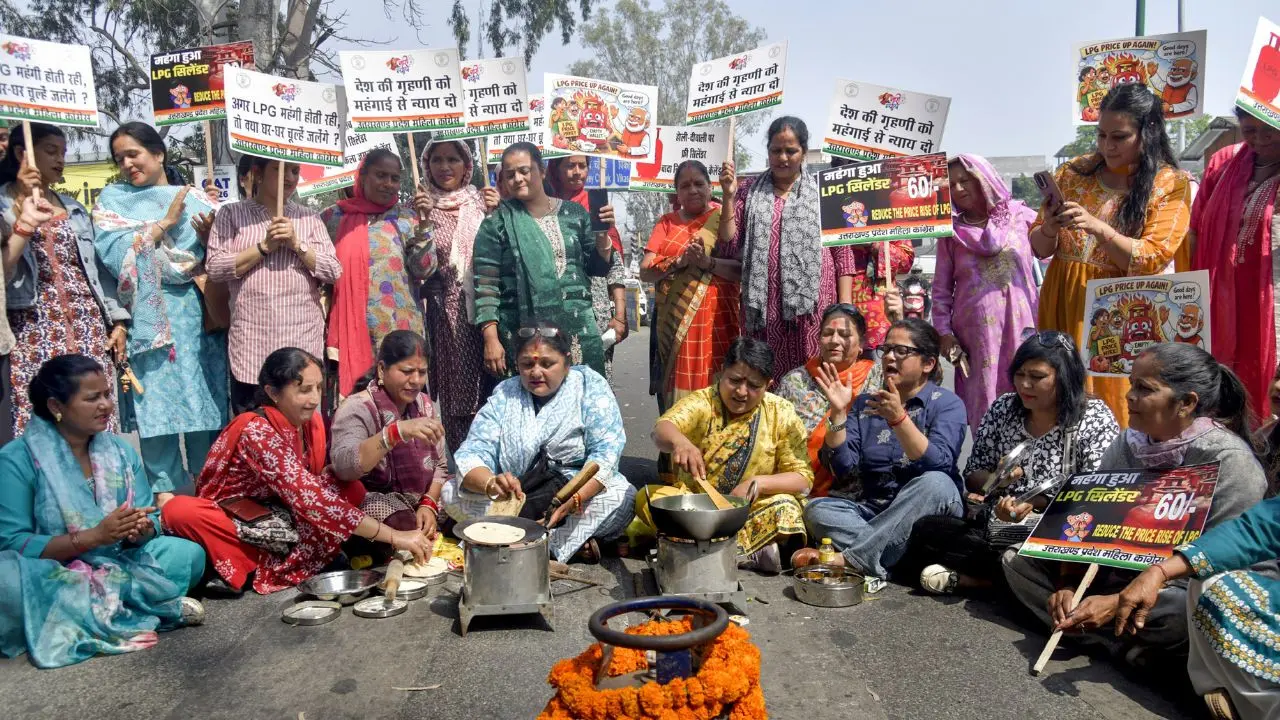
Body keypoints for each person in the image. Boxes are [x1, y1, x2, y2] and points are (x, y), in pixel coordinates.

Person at [1006, 343, 1267, 656]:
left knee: (1185, 607)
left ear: (1186, 402)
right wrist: (1069, 583)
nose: (1130, 396)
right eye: (1132, 385)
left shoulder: (1229, 461)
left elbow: (1220, 560)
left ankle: (1106, 636)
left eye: (1144, 389)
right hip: (1119, 571)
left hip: (1180, 584)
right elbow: (1089, 519)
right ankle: (1112, 640)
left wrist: (1118, 602)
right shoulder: (1128, 444)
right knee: (1016, 560)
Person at [161, 348, 431, 594]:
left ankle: (307, 552)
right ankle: (252, 565)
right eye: (303, 390)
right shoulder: (256, 431)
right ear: (273, 392)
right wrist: (395, 536)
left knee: (350, 487)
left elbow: (314, 485)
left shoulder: (311, 422)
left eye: (318, 389)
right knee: (180, 511)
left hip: (286, 507)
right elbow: (310, 499)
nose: (314, 399)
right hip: (238, 515)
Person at [0, 355, 206, 668]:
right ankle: (137, 605)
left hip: (118, 560)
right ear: (56, 406)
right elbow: (13, 543)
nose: (107, 405)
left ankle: (95, 609)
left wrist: (141, 529)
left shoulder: (120, 452)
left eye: (108, 394)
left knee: (187, 554)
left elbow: (148, 518)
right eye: (92, 398)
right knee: (6, 582)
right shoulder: (17, 459)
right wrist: (92, 537)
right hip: (50, 570)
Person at [904, 331, 1119, 595]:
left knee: (1062, 549)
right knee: (928, 530)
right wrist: (998, 480)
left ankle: (988, 583)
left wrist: (1034, 503)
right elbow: (973, 473)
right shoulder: (1004, 408)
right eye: (1020, 375)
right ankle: (1010, 581)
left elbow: (1099, 492)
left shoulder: (1093, 416)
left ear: (1065, 378)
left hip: (1061, 532)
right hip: (999, 527)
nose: (1024, 385)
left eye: (1037, 377)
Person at [1032, 84, 1192, 427]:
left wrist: (1098, 228)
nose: (1107, 145)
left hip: (1118, 310)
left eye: (1119, 137)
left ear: (1147, 132)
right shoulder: (1074, 172)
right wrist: (1049, 227)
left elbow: (1152, 257)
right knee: (1058, 398)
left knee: (1114, 406)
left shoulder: (1169, 183)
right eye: (1102, 135)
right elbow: (1037, 248)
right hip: (1062, 297)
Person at [92, 121, 228, 498]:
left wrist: (208, 238)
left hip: (197, 319)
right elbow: (115, 257)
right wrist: (163, 224)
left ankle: (210, 505)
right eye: (120, 159)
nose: (127, 165)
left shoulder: (200, 200)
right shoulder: (111, 204)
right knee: (156, 417)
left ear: (158, 153)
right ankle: (166, 505)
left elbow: (220, 257)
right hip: (148, 325)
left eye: (133, 154)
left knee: (206, 412)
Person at [446, 323, 635, 563]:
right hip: (514, 496)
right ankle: (554, 543)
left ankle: (533, 542)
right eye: (527, 364)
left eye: (547, 364)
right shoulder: (505, 393)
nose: (535, 372)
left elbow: (606, 454)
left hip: (573, 495)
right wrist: (492, 483)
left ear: (567, 363)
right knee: (450, 491)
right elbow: (474, 451)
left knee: (623, 495)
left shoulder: (589, 385)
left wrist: (571, 501)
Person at [799, 318, 968, 580]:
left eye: (901, 351)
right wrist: (838, 413)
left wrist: (899, 420)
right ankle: (892, 561)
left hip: (927, 514)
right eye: (886, 349)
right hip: (872, 510)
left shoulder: (947, 404)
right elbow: (843, 468)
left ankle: (852, 560)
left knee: (936, 483)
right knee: (817, 509)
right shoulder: (865, 402)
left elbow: (940, 464)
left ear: (928, 363)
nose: (889, 357)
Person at [639, 337, 813, 573]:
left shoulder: (780, 412)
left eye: (754, 386)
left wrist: (758, 483)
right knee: (648, 499)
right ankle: (747, 551)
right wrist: (681, 442)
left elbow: (802, 478)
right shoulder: (703, 401)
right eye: (734, 380)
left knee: (786, 506)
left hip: (747, 509)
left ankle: (701, 550)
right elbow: (661, 429)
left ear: (768, 385)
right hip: (694, 508)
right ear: (722, 372)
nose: (742, 392)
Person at [0, 122, 127, 439]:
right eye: (50, 151)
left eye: (63, 153)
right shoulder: (4, 205)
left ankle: (97, 483)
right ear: (21, 153)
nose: (60, 160)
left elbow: (96, 271)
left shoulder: (74, 209)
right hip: (32, 326)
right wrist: (22, 220)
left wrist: (116, 322)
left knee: (93, 412)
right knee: (40, 415)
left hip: (85, 325)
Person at [718, 117, 869, 382]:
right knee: (764, 375)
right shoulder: (747, 192)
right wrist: (728, 196)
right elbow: (729, 244)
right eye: (776, 151)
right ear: (768, 152)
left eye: (791, 151)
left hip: (813, 310)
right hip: (764, 310)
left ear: (803, 152)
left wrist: (845, 309)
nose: (783, 158)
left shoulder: (824, 193)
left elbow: (842, 255)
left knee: (815, 377)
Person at [1107, 496, 1280, 718]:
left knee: (1173, 611)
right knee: (1210, 580)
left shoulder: (1238, 467)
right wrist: (1158, 572)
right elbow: (1252, 531)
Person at [208, 158, 341, 414]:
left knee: (302, 437)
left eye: (294, 170)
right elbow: (215, 267)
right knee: (254, 435)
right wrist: (263, 247)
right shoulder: (232, 215)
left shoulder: (308, 218)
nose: (289, 178)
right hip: (252, 347)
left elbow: (333, 271)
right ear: (257, 173)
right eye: (279, 170)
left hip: (301, 342)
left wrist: (297, 244)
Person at [472, 142, 616, 378]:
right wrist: (490, 339)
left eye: (524, 171)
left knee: (581, 403)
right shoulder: (496, 222)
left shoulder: (574, 214)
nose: (517, 179)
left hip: (577, 330)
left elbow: (598, 268)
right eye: (510, 175)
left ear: (542, 170)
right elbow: (486, 285)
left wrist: (602, 234)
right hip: (522, 333)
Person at [933, 153, 1040, 432]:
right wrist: (945, 335)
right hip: (976, 340)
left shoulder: (1021, 216)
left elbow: (1055, 252)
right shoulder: (951, 233)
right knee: (985, 404)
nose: (958, 189)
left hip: (1024, 329)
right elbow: (941, 291)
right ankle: (986, 472)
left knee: (1031, 393)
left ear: (985, 179)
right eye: (951, 184)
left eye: (965, 180)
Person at [321, 148, 437, 401]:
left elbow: (424, 268)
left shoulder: (408, 218)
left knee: (401, 403)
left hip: (398, 331)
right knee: (357, 407)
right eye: (380, 175)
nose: (388, 184)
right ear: (362, 177)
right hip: (351, 330)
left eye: (394, 178)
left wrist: (425, 224)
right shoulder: (333, 218)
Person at [1190, 107, 1280, 421]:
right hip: (1221, 303)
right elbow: (1195, 231)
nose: (1259, 139)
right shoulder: (1223, 163)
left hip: (1271, 302)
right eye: (1249, 130)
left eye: (1268, 130)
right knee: (1222, 387)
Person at [418, 139, 500, 451]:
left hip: (487, 308)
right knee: (458, 401)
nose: (444, 166)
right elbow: (420, 270)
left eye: (453, 159)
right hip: (448, 318)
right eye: (437, 159)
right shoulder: (420, 208)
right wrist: (423, 223)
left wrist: (497, 212)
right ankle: (465, 471)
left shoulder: (483, 203)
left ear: (467, 165)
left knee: (494, 391)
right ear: (426, 165)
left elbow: (499, 254)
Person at [641, 160, 742, 412]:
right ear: (677, 192)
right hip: (676, 325)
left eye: (699, 183)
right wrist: (680, 261)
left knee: (722, 383)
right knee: (682, 397)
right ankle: (680, 446)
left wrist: (707, 263)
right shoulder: (667, 223)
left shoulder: (724, 217)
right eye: (685, 185)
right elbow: (645, 270)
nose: (693, 190)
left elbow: (741, 269)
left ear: (710, 187)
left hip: (720, 318)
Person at [330, 331, 449, 536]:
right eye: (407, 371)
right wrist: (395, 432)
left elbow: (440, 465)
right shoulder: (357, 408)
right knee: (401, 522)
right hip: (373, 499)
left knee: (471, 500)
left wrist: (429, 503)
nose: (416, 380)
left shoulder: (424, 405)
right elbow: (344, 467)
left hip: (422, 499)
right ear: (382, 369)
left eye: (422, 372)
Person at [774, 303, 882, 498]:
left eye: (845, 334)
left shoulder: (878, 378)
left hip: (860, 486)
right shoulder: (794, 381)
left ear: (862, 343)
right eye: (827, 333)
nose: (834, 340)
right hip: (798, 484)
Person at [546, 155, 629, 380]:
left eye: (582, 166)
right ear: (555, 168)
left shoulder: (597, 208)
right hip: (556, 314)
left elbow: (615, 267)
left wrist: (620, 316)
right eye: (570, 166)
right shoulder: (543, 207)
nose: (577, 172)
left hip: (596, 316)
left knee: (597, 384)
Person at [828, 156, 916, 348]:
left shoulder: (888, 211)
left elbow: (906, 260)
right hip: (834, 303)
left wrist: (876, 244)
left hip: (879, 309)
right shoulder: (827, 209)